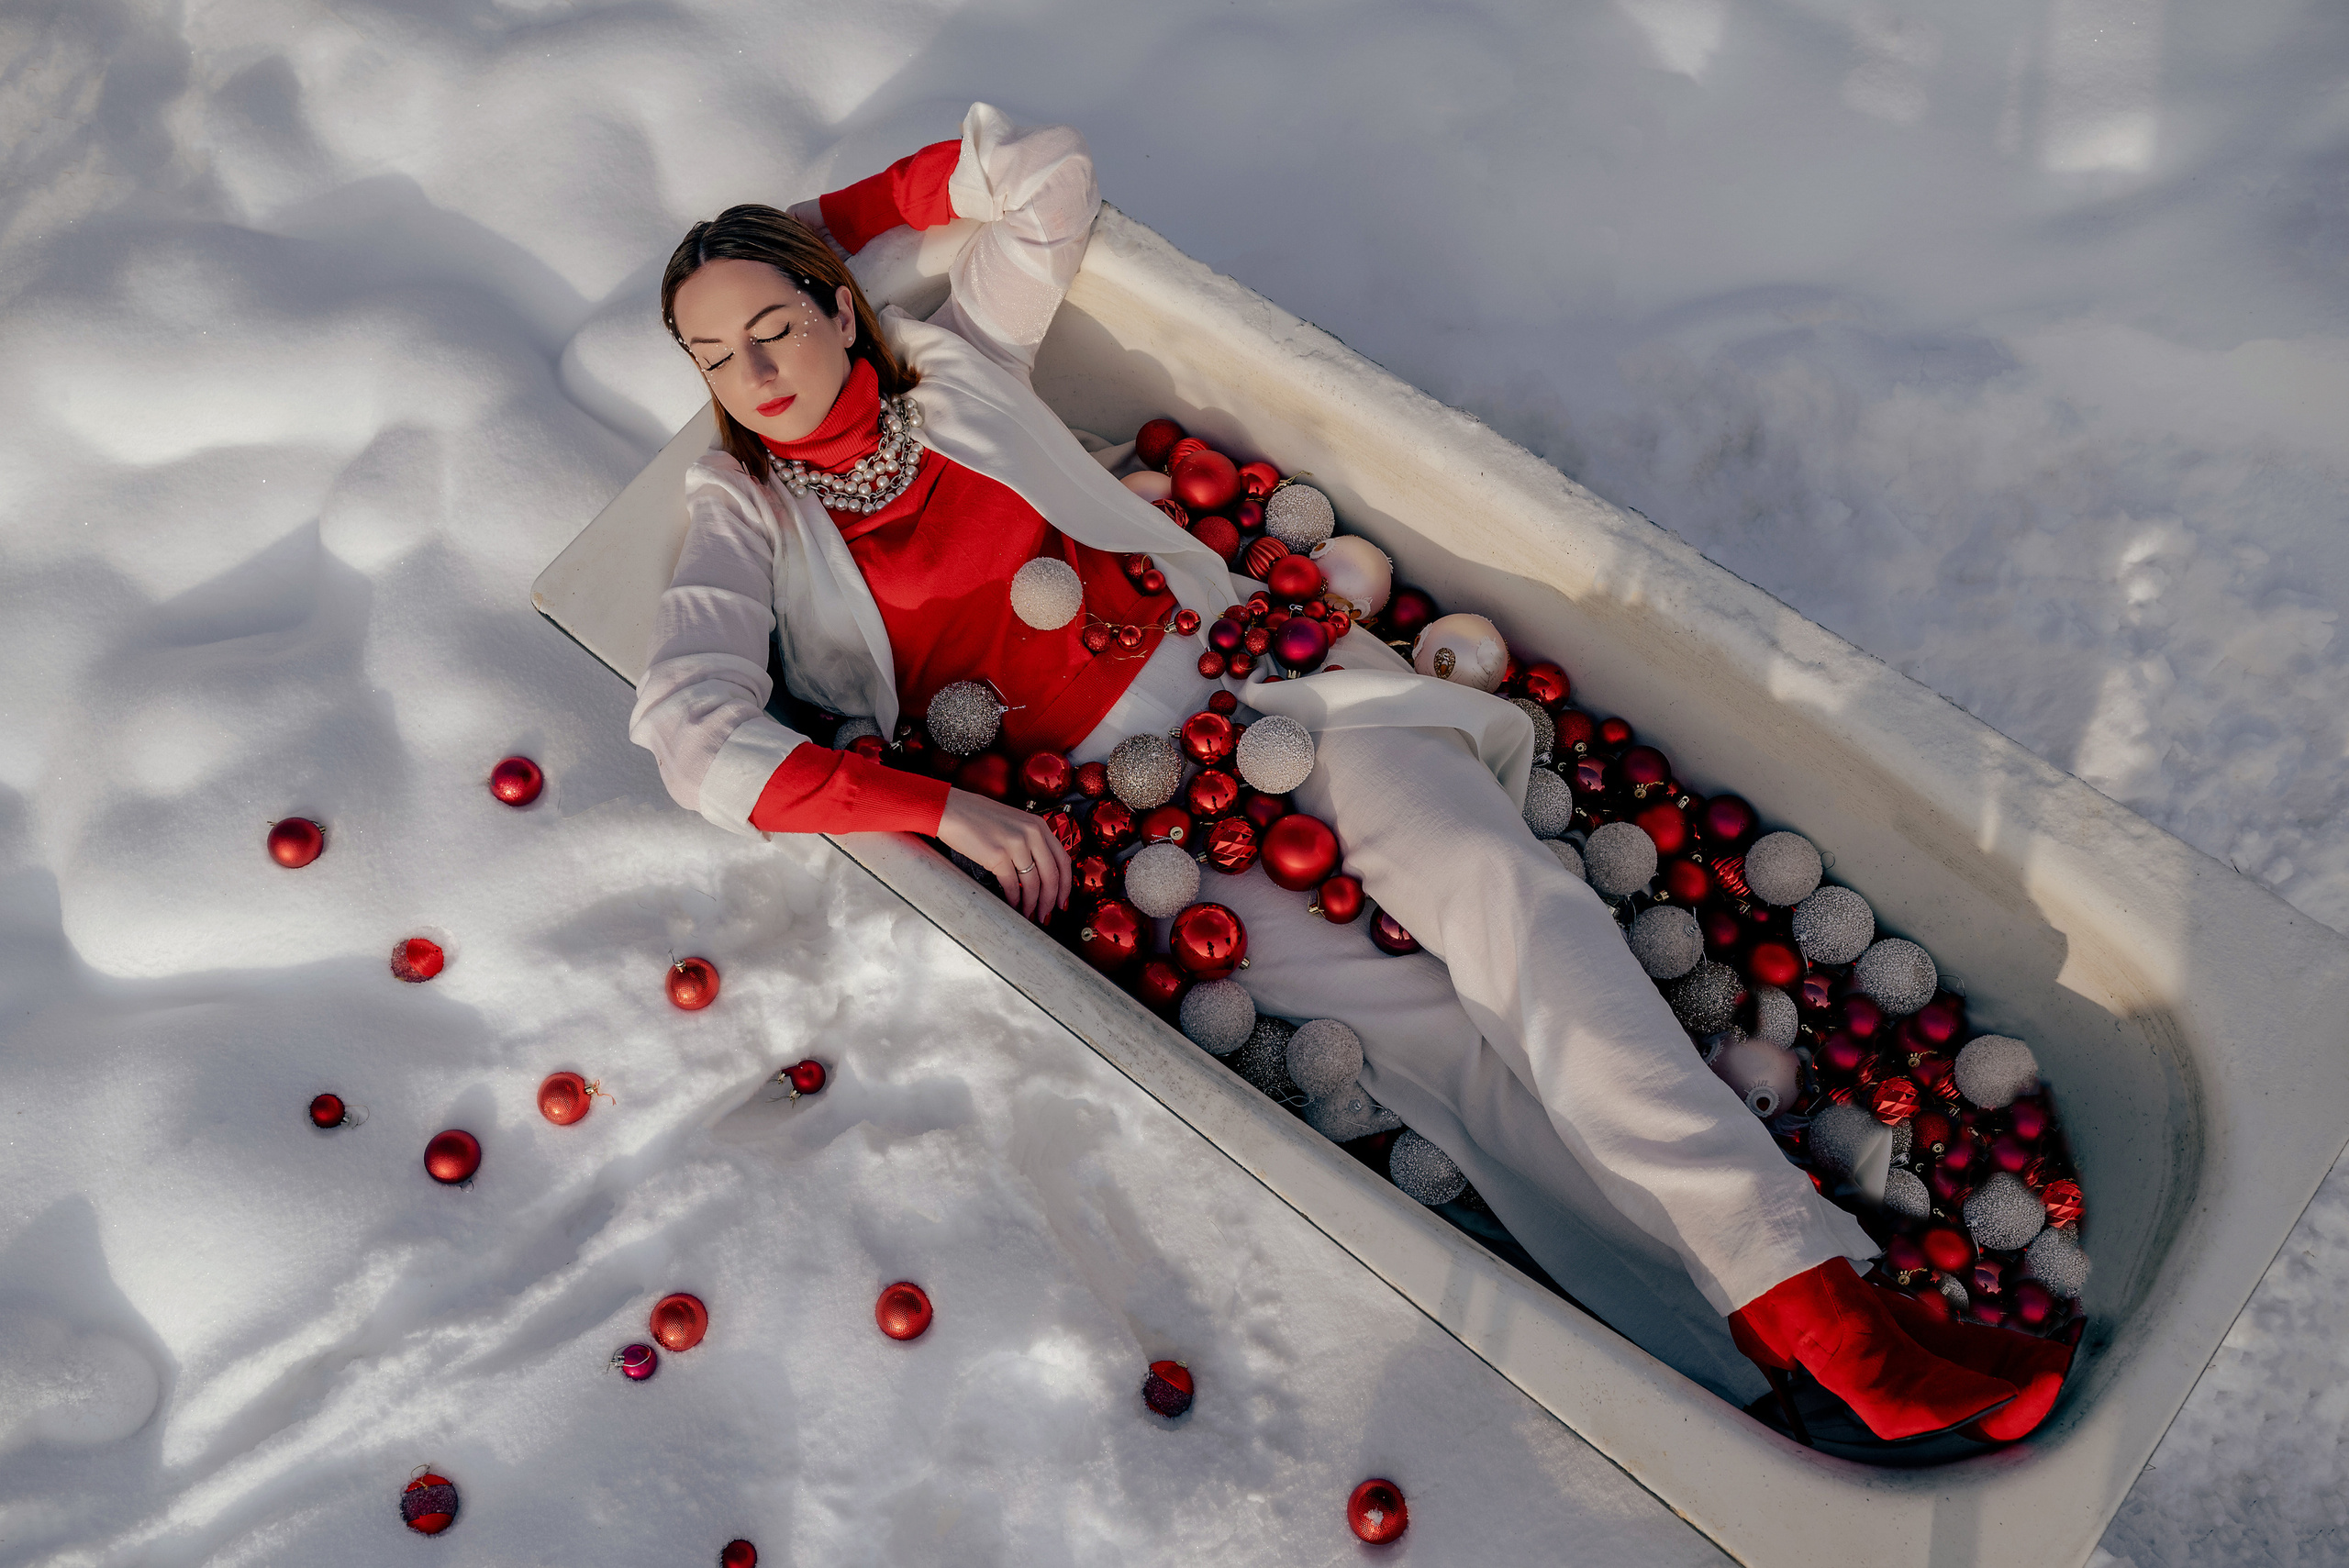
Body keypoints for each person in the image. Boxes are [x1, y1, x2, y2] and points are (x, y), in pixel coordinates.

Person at [631, 104, 2072, 1442]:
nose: (756, 377)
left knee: (1519, 907)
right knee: (1445, 1054)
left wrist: (808, 220)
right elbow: (694, 731)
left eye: (777, 326)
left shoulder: (958, 367)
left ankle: (1816, 1298)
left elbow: (1047, 178)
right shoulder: (741, 510)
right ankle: (1749, 1351)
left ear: (840, 308)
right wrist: (940, 804)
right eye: (716, 358)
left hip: (1266, 683)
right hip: (1132, 835)